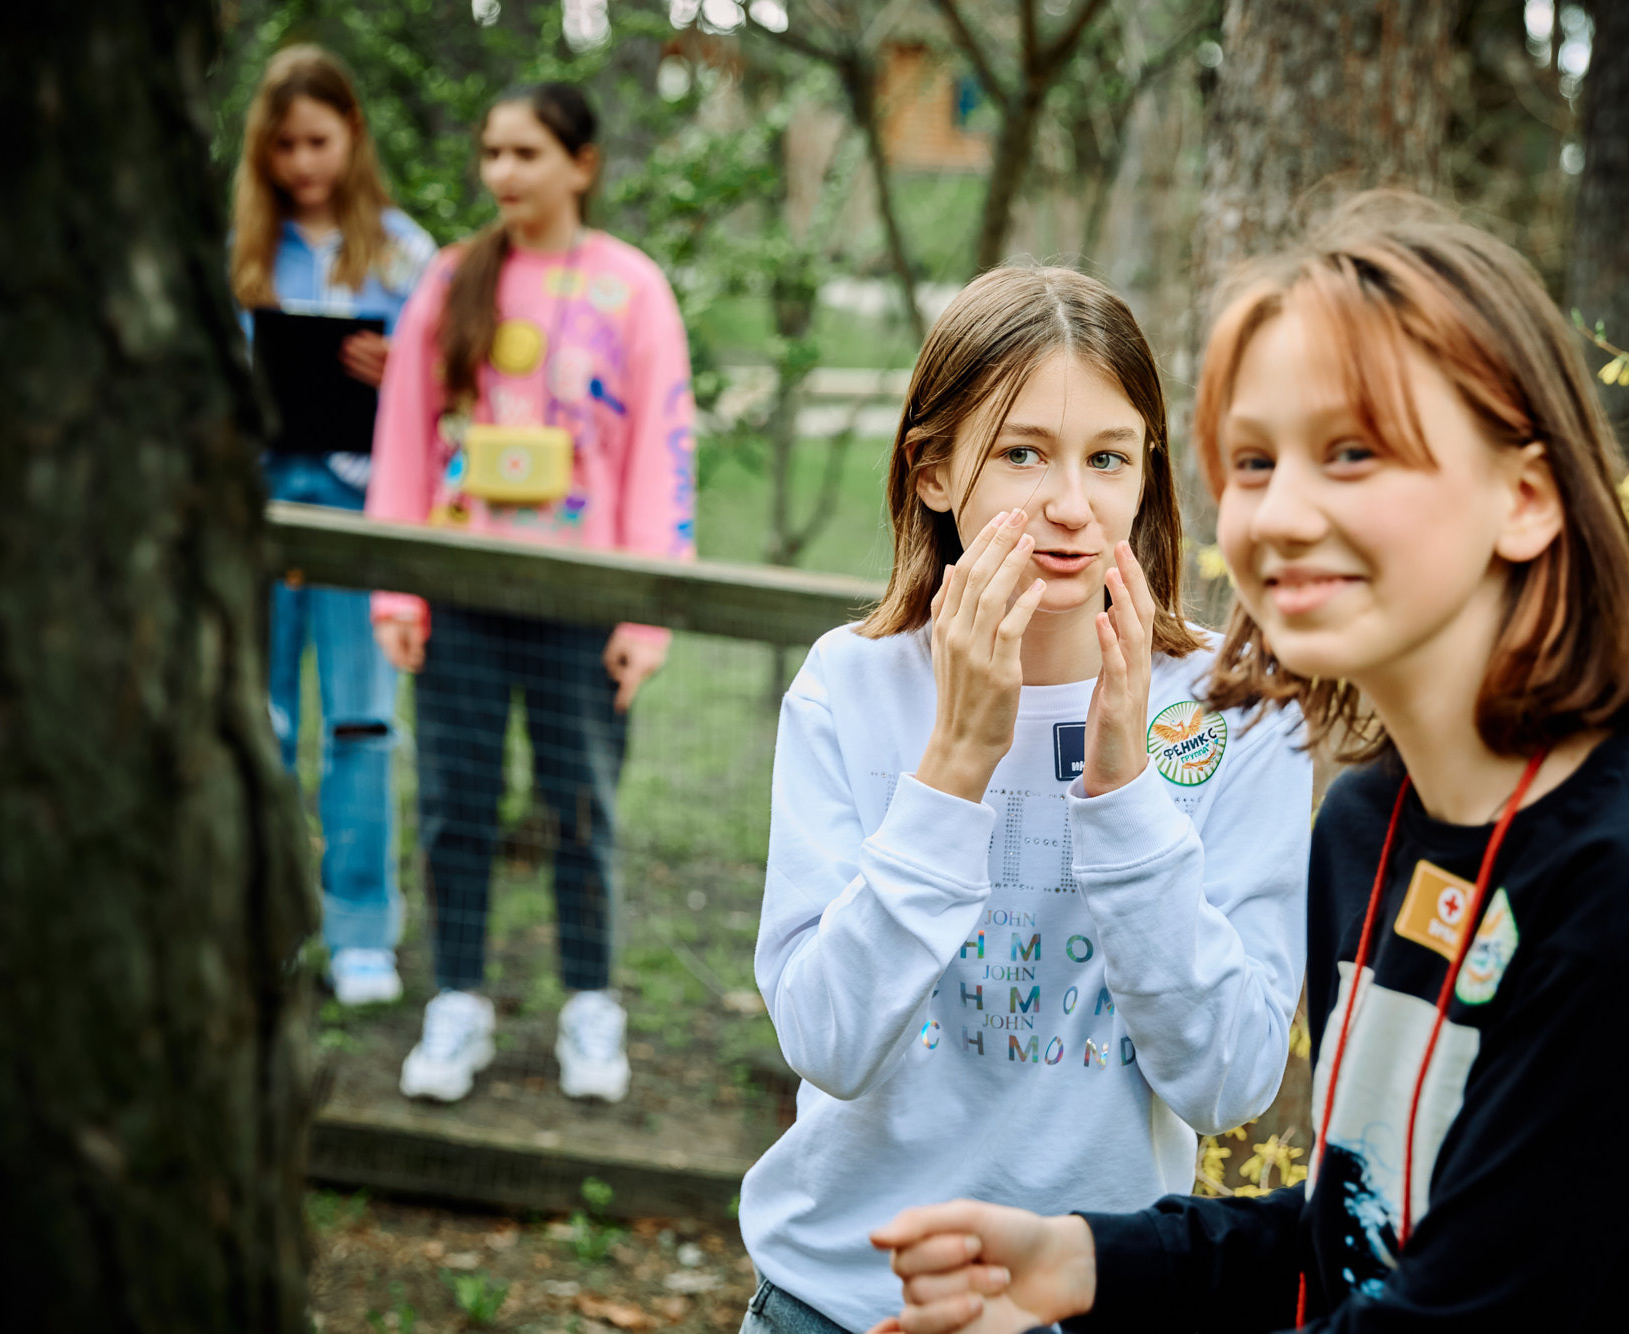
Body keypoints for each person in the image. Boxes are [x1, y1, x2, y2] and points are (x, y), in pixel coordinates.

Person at [863, 195, 1629, 1332]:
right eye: (1255, 460)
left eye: (1352, 452)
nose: (1281, 512)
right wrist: (1089, 1258)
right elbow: (1358, 1227)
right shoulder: (1366, 824)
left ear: (1523, 496)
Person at [736, 266, 1313, 1334]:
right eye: (1020, 453)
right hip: (838, 1300)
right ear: (933, 471)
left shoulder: (1233, 712)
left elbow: (1227, 1078)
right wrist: (956, 756)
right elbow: (826, 1037)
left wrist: (1123, 788)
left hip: (1089, 1306)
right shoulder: (848, 687)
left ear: (1147, 475)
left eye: (1105, 457)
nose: (1069, 503)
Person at [366, 83, 694, 1105]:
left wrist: (645, 611)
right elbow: (405, 439)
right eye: (492, 153)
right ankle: (456, 996)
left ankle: (590, 1004)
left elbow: (662, 453)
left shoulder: (631, 289)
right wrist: (399, 592)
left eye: (526, 153)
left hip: (582, 600)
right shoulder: (450, 281)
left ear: (581, 165)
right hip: (459, 589)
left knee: (580, 807)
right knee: (454, 804)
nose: (503, 173)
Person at [230, 44, 437, 1007]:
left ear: (352, 134)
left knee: (361, 723)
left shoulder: (403, 252)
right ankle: (259, 921)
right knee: (256, 722)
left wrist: (399, 374)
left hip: (362, 522)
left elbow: (448, 395)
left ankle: (360, 929)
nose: (302, 163)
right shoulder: (239, 253)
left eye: (318, 140)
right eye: (283, 146)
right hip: (257, 518)